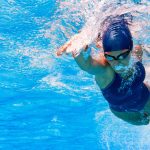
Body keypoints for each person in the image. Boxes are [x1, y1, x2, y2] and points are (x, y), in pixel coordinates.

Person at [56, 15, 150, 125]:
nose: (116, 63)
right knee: (144, 122)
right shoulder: (106, 71)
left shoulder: (136, 53)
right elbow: (87, 65)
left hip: (146, 95)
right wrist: (78, 47)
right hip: (126, 111)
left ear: (130, 50)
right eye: (110, 57)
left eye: (122, 56)